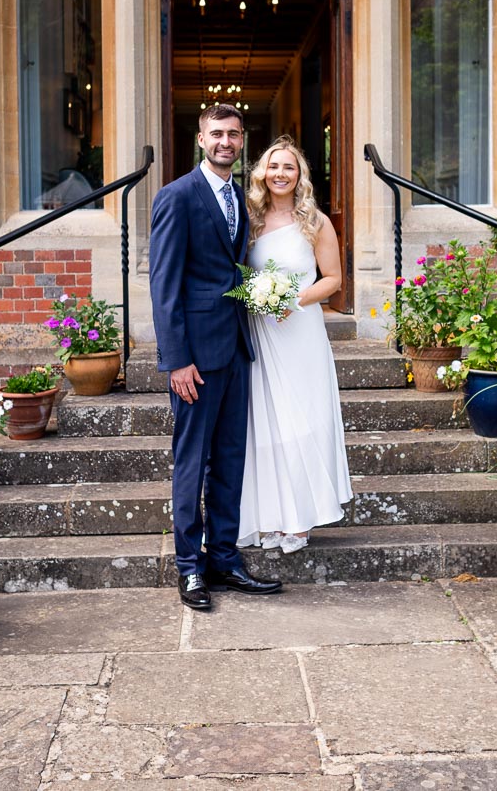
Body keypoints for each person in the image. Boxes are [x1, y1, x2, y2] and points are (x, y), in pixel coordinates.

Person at [148, 104, 284, 612]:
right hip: (195, 358)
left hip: (236, 349)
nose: (226, 141)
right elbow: (164, 286)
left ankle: (224, 560)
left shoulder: (241, 201)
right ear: (201, 139)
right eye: (216, 134)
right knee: (191, 461)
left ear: (242, 139)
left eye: (233, 134)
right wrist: (177, 359)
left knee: (230, 459)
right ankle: (189, 568)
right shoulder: (176, 197)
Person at [238, 136, 353, 554]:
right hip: (261, 331)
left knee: (302, 419)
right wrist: (259, 296)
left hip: (299, 331)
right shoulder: (249, 220)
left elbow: (333, 280)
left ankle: (302, 518)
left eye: (289, 167)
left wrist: (292, 299)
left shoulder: (315, 221)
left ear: (300, 174)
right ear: (261, 174)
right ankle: (271, 515)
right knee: (266, 424)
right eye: (273, 166)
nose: (280, 174)